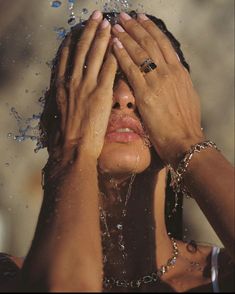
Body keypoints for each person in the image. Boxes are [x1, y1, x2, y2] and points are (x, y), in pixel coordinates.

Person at [0, 10, 234, 292]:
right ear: (55, 116)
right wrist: (73, 151)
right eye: (96, 80)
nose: (122, 96)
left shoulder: (218, 275)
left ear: (181, 106)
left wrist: (186, 140)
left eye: (145, 78)